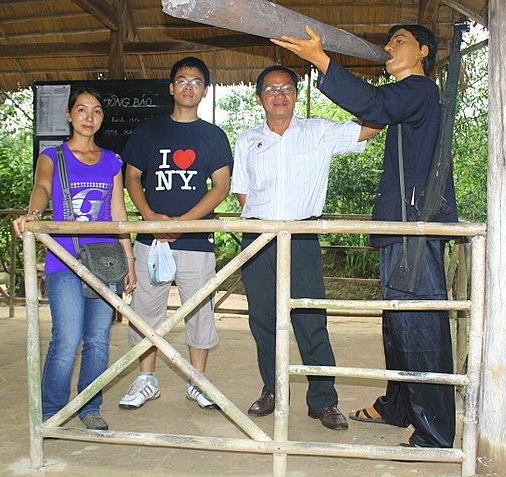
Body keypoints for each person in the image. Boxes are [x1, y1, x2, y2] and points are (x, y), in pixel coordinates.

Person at [271, 25, 458, 448]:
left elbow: (373, 103)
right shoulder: (408, 97)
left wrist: (322, 60)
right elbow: (375, 110)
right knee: (397, 322)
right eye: (389, 42)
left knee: (419, 325)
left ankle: (434, 431)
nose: (390, 47)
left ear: (424, 51)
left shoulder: (420, 88)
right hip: (402, 223)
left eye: (401, 41)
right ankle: (398, 406)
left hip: (415, 225)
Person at [231, 65, 381, 431]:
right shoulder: (247, 139)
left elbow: (373, 125)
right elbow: (242, 191)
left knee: (311, 320)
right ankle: (273, 390)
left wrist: (355, 90)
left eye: (286, 88)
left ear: (296, 95)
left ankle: (323, 401)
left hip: (302, 237)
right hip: (259, 238)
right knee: (264, 320)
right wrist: (265, 222)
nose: (279, 95)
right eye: (271, 89)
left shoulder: (319, 131)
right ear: (259, 98)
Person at [13, 86, 137, 430]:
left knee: (98, 339)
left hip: (105, 261)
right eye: (82, 110)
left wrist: (129, 261)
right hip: (64, 260)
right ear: (69, 115)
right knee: (67, 338)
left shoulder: (113, 161)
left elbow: (117, 213)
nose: (89, 118)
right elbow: (41, 186)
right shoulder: (52, 157)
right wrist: (33, 213)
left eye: (96, 111)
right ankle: (51, 412)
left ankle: (89, 405)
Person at [118, 57, 232, 410]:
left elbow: (221, 186)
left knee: (199, 310)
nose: (187, 86)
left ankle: (197, 382)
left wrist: (184, 223)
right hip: (150, 240)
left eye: (195, 82)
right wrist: (150, 218)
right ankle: (146, 379)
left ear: (205, 90)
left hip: (197, 241)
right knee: (145, 310)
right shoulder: (148, 131)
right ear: (171, 87)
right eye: (181, 80)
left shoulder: (213, 135)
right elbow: (132, 176)